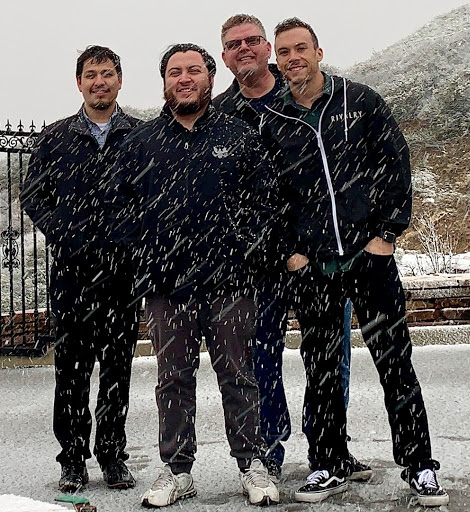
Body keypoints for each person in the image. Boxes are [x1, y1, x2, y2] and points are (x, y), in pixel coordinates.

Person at [260, 18, 449, 508]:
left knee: (395, 364)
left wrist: (386, 235)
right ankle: (328, 463)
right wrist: (290, 252)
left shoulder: (360, 101)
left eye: (301, 48)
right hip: (314, 269)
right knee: (321, 369)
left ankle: (420, 465)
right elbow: (268, 198)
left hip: (370, 261)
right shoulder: (273, 121)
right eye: (284, 52)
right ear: (277, 59)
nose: (293, 58)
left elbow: (395, 166)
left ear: (318, 52)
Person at [109, 43, 279, 508]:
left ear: (209, 77)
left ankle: (252, 464)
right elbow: (120, 211)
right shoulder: (141, 143)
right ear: (164, 81)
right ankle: (177, 470)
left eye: (193, 70)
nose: (184, 78)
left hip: (229, 285)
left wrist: (242, 252)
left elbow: (265, 202)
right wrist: (148, 258)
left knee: (238, 376)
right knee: (173, 381)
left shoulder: (239, 135)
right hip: (166, 290)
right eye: (174, 72)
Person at [213, 13, 367, 484]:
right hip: (257, 261)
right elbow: (226, 195)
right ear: (224, 57)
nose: (244, 49)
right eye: (234, 44)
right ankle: (270, 447)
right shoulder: (220, 115)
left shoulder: (305, 92)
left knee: (331, 355)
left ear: (269, 49)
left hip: (318, 252)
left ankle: (331, 447)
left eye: (253, 41)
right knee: (261, 357)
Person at [20, 46, 140, 492]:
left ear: (119, 80)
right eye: (91, 74)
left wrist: (129, 238)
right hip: (72, 276)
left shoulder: (139, 136)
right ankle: (72, 459)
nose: (99, 82)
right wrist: (65, 233)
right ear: (79, 83)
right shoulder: (55, 138)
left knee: (117, 372)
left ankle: (112, 456)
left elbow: (152, 196)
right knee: (71, 373)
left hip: (123, 277)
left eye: (107, 73)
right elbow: (33, 196)